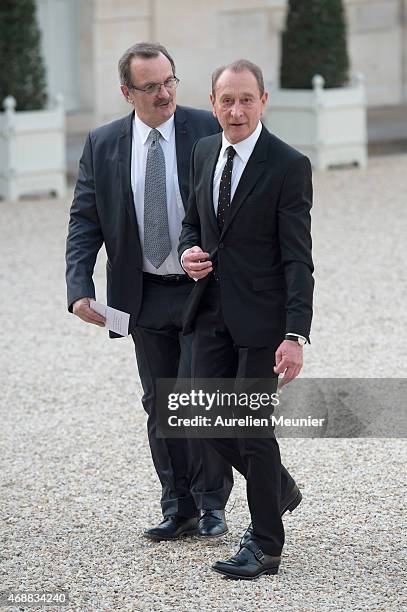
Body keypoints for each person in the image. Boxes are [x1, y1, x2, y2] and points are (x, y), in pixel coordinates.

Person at [65, 42, 234, 541]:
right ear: (126, 92)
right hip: (141, 294)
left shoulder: (208, 127)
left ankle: (211, 505)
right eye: (152, 87)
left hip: (204, 288)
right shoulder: (103, 144)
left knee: (197, 395)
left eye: (170, 82)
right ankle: (176, 504)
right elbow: (84, 220)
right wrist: (79, 289)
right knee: (159, 402)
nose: (165, 94)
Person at [179, 59, 313, 579]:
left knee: (253, 430)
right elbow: (195, 221)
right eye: (226, 100)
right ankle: (278, 488)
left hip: (263, 319)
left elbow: (298, 257)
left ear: (264, 101)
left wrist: (295, 333)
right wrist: (190, 250)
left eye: (246, 99)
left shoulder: (287, 164)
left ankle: (266, 546)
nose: (236, 110)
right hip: (209, 311)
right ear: (212, 103)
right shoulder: (203, 150)